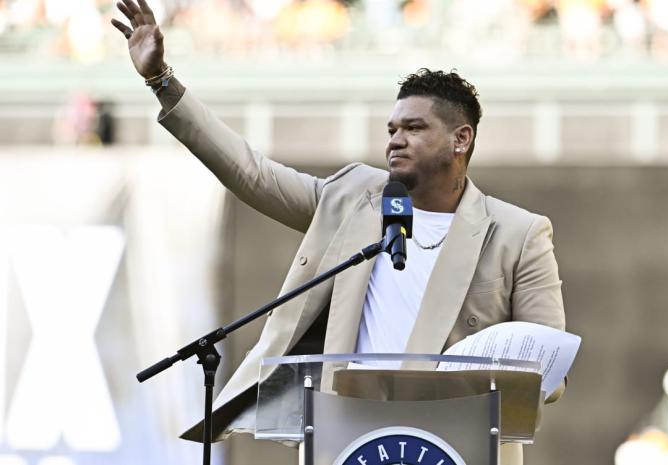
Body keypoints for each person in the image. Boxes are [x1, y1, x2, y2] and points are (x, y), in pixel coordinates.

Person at [111, 1, 566, 464]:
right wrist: (162, 81)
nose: (395, 139)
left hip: (454, 445)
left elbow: (552, 374)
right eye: (391, 128)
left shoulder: (518, 233)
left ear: (460, 139)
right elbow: (253, 174)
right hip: (347, 438)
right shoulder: (354, 197)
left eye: (413, 127)